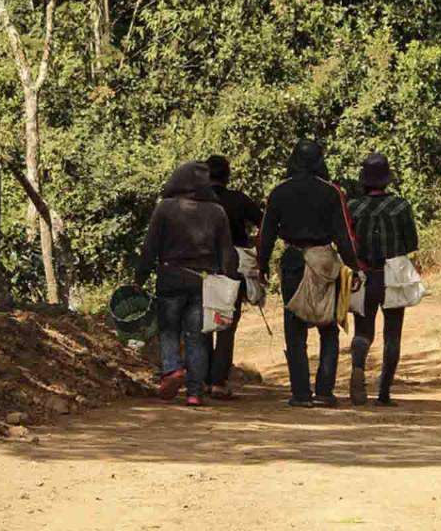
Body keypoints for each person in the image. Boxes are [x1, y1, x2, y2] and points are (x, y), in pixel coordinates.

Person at [258, 139, 360, 408]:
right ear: (319, 161)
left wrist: (261, 266)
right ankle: (324, 393)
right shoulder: (332, 192)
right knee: (328, 329)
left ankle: (301, 394)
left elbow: (265, 235)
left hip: (293, 262)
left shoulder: (279, 192)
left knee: (295, 331)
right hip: (325, 262)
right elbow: (345, 235)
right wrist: (355, 267)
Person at [134, 161, 237, 407]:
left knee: (168, 329)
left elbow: (150, 247)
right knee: (197, 336)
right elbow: (227, 252)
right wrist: (229, 281)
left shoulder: (165, 209)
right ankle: (194, 392)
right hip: (203, 281)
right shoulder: (217, 212)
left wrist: (140, 278)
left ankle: (172, 370)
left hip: (170, 276)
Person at [348, 153, 418, 407]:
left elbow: (347, 241)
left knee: (363, 331)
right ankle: (384, 392)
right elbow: (412, 243)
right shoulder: (400, 206)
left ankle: (357, 367)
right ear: (386, 179)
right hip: (394, 276)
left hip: (365, 276)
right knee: (392, 334)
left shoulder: (353, 207)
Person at [205, 155, 263, 399]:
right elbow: (264, 222)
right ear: (227, 176)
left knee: (204, 323)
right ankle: (218, 382)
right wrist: (253, 246)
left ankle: (203, 380)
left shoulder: (196, 201)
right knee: (227, 324)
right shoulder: (238, 200)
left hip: (203, 267)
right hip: (234, 266)